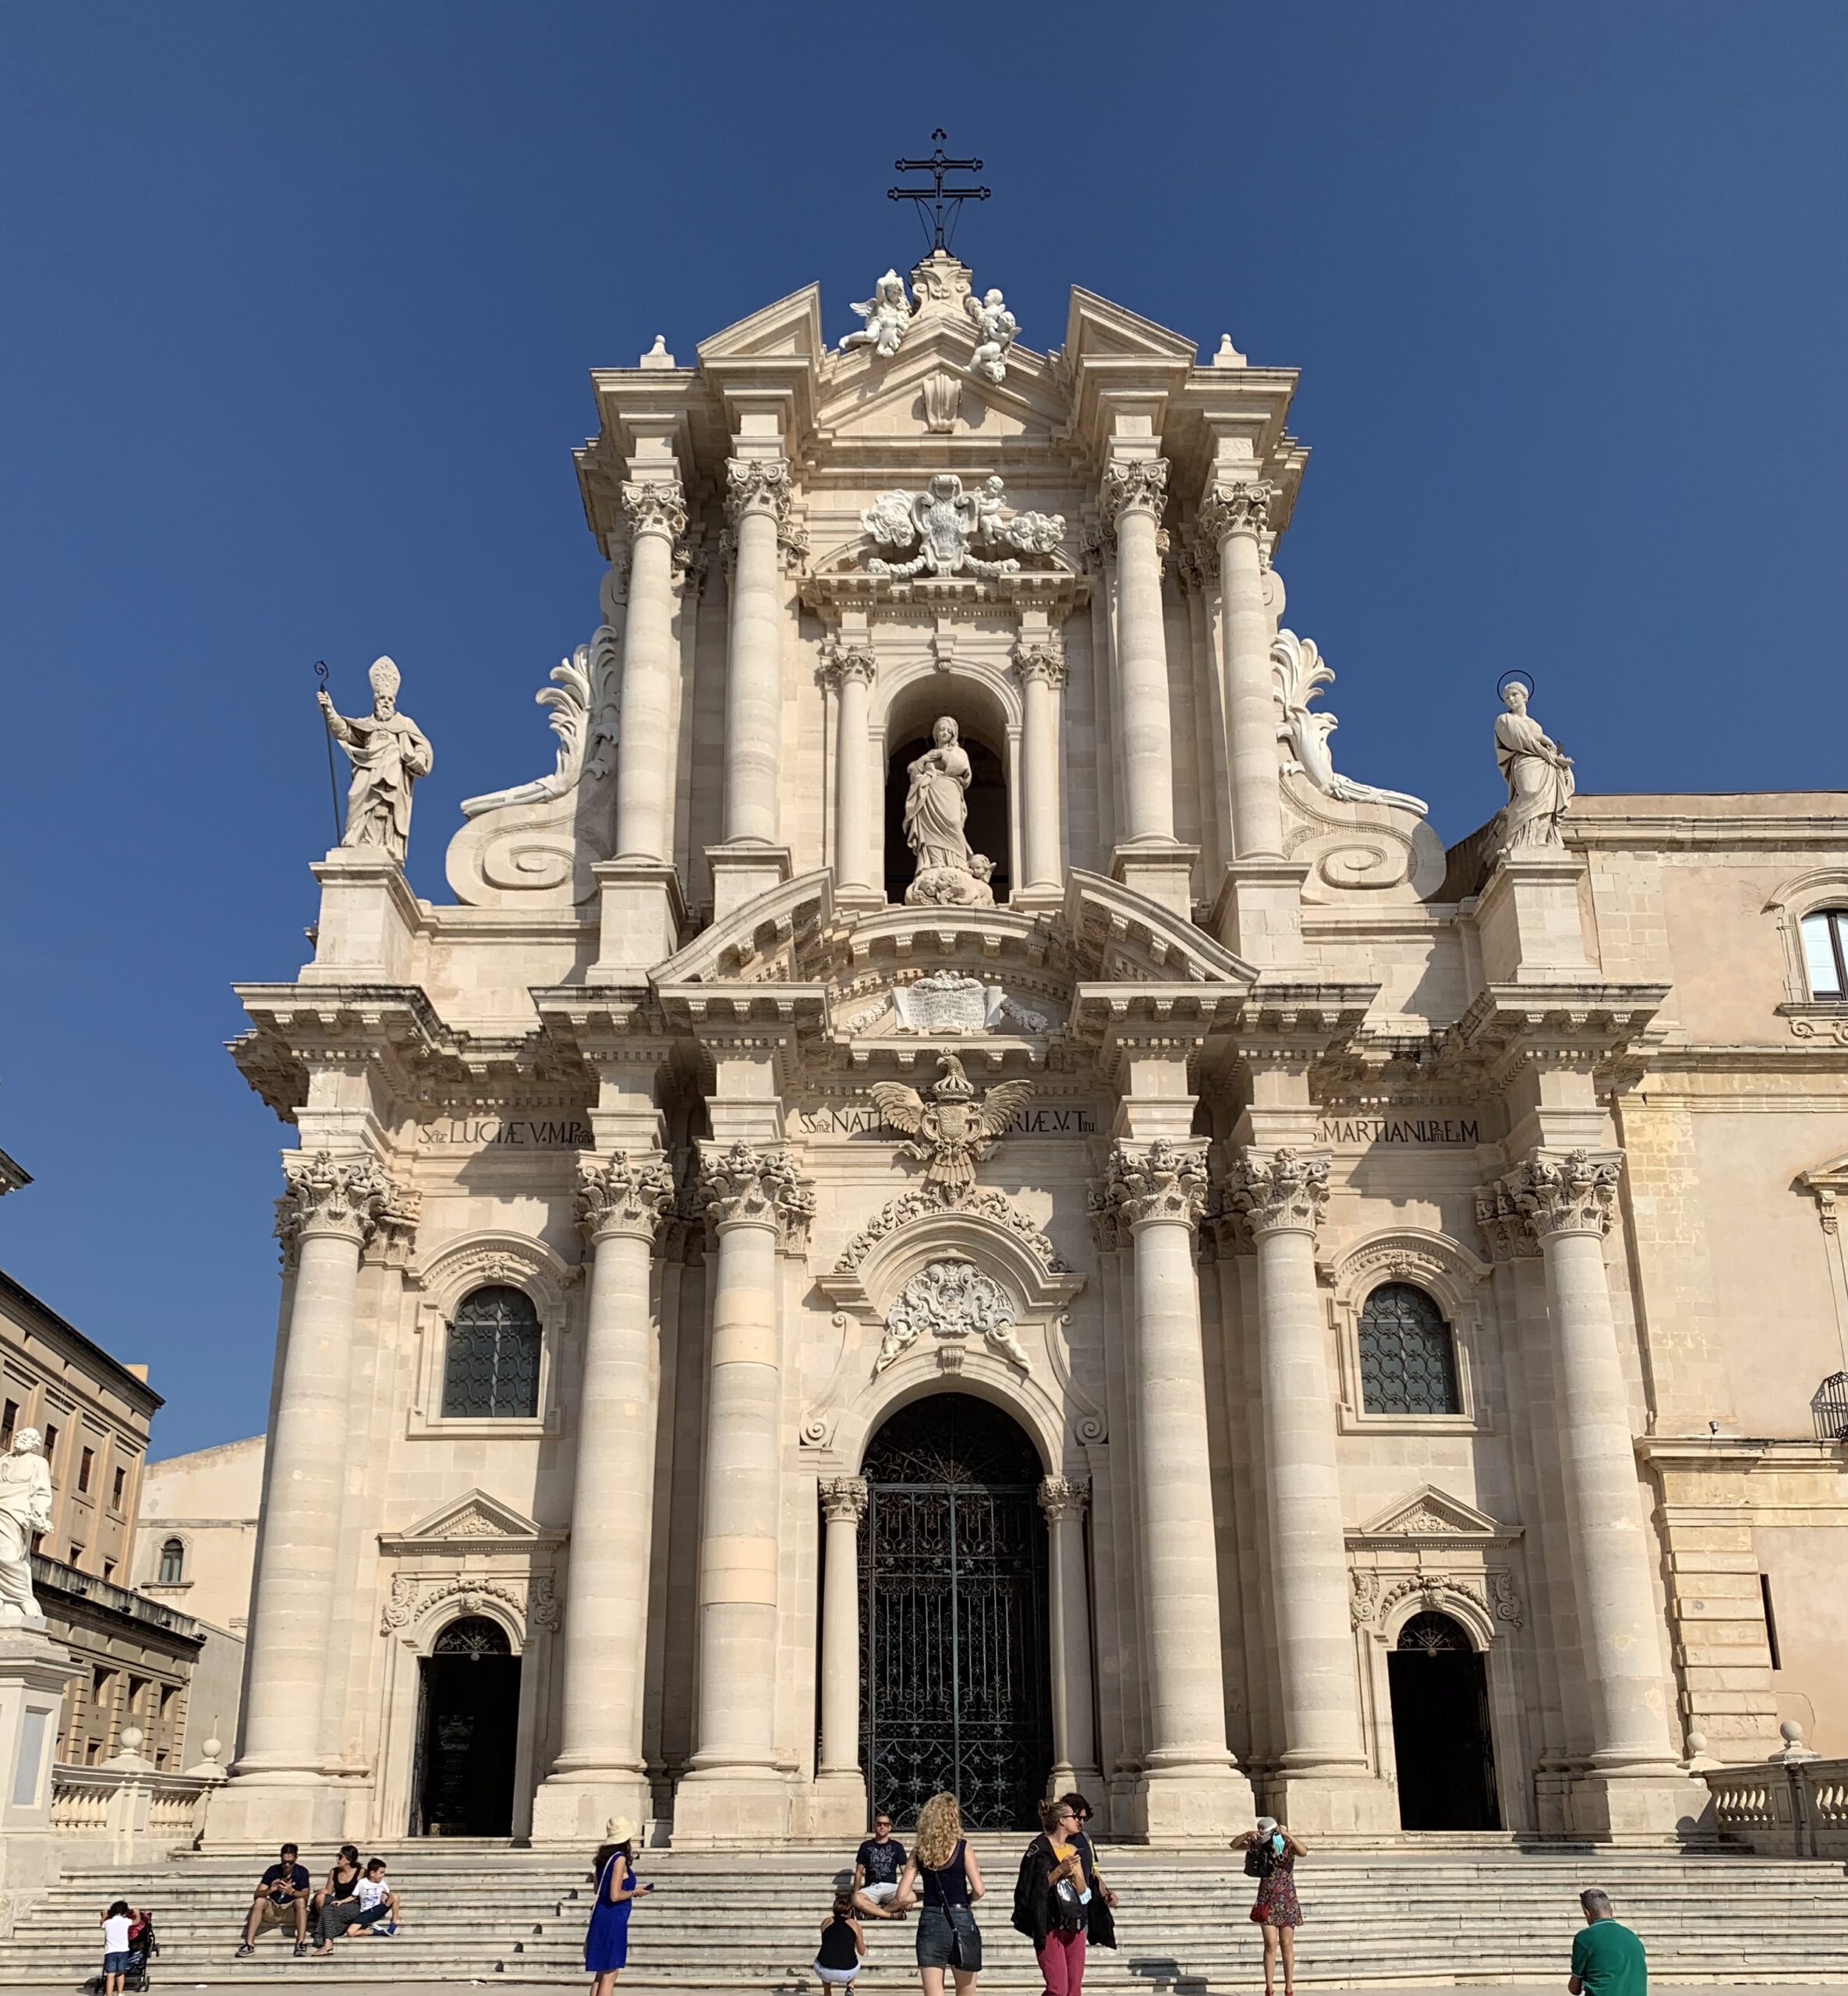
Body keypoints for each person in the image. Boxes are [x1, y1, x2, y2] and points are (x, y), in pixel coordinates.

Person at [893, 1789, 985, 1996]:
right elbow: (979, 1889)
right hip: (960, 1917)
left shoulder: (919, 1851)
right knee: (966, 1990)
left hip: (931, 1920)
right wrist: (966, 1899)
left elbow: (901, 1896)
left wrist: (925, 1895)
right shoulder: (963, 1848)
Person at [1011, 1798, 1103, 1996]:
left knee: (1073, 1989)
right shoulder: (1039, 1849)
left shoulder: (1073, 1850)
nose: (1079, 1821)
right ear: (1062, 1820)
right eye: (1074, 1817)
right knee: (1057, 1989)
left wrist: (1075, 1875)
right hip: (1049, 1924)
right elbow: (1032, 1889)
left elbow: (1085, 1895)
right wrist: (1060, 1869)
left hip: (1075, 1924)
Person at [1233, 1817, 1306, 1996]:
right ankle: (1269, 1988)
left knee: (1287, 1944)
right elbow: (1233, 1845)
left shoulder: (1287, 1846)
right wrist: (1246, 1835)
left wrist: (1287, 1834)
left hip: (1287, 1899)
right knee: (1270, 1945)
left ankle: (1289, 1988)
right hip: (1267, 1899)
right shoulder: (1259, 1845)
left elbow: (1304, 1851)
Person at [585, 1815, 652, 1994]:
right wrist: (634, 1892)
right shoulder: (619, 1859)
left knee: (601, 1973)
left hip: (601, 1914)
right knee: (610, 1973)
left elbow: (598, 1889)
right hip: (613, 1917)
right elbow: (615, 1895)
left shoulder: (603, 1859)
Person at [1568, 1888, 1648, 1996]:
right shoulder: (1633, 1937)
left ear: (1587, 1913)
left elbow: (1575, 1989)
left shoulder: (1585, 1938)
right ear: (1611, 1911)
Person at [1057, 1794, 1119, 1931]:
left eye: (1084, 1818)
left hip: (1082, 1909)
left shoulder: (1085, 1838)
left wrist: (1106, 1894)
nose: (1081, 1822)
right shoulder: (1053, 1841)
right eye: (1077, 1818)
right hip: (1059, 1909)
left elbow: (1093, 1870)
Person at [236, 1842, 310, 1956]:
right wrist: (271, 1890)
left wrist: (292, 1892)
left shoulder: (302, 1872)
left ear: (296, 1859)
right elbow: (257, 1894)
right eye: (284, 1862)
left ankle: (301, 1942)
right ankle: (249, 1944)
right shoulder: (273, 1870)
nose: (286, 1866)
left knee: (301, 1901)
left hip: (290, 1910)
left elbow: (306, 1895)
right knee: (259, 1901)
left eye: (290, 1863)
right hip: (274, 1909)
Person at [854, 1810, 908, 1920]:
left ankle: (872, 1913)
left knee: (908, 1897)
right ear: (875, 1827)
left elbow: (906, 1872)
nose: (882, 1827)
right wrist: (856, 1893)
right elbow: (859, 1873)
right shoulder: (865, 1846)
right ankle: (890, 1914)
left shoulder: (897, 1847)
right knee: (856, 1898)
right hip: (872, 1888)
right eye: (879, 1824)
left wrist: (908, 1891)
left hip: (891, 1887)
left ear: (890, 1828)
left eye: (885, 1824)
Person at [310, 1842, 364, 1952]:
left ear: (348, 1860)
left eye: (340, 1857)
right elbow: (329, 1892)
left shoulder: (361, 1872)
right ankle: (328, 1930)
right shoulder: (334, 1872)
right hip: (338, 1902)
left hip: (353, 1904)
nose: (337, 1859)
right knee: (321, 1897)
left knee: (327, 1908)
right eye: (337, 1856)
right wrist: (324, 1892)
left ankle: (326, 1940)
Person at [814, 1888, 866, 1988]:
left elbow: (828, 1945)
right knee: (856, 1960)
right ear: (851, 1910)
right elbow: (862, 1952)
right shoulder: (855, 1924)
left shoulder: (826, 1922)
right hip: (847, 1973)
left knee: (824, 1958)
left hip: (823, 1971)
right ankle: (850, 1986)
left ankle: (827, 1993)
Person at [350, 1858, 399, 1935]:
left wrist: (384, 1895)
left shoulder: (382, 1883)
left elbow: (389, 1895)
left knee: (395, 1897)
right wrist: (341, 1901)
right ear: (372, 1873)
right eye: (381, 1873)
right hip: (366, 1912)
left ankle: (394, 1923)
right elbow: (353, 1896)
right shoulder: (362, 1882)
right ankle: (377, 1931)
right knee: (351, 1932)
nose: (383, 1875)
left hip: (377, 1910)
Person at [100, 1900, 133, 1996]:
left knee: (110, 1974)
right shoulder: (126, 1921)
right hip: (123, 1950)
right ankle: (120, 1992)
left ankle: (109, 1994)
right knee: (120, 1973)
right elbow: (137, 1922)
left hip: (110, 1951)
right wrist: (138, 1913)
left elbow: (101, 1924)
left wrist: (104, 1915)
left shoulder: (107, 1922)